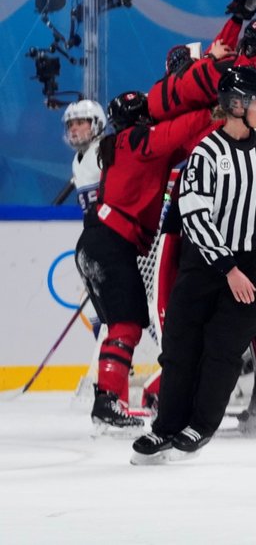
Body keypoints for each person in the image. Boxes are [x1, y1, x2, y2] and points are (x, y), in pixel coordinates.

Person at [131, 66, 256, 464]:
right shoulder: (205, 154)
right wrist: (227, 267)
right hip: (207, 263)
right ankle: (166, 428)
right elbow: (194, 214)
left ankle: (201, 425)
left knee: (223, 346)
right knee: (179, 345)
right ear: (236, 104)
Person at [75, 93, 214, 430]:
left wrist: (217, 122)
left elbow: (183, 145)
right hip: (111, 244)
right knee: (127, 325)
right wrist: (211, 108)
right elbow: (176, 132)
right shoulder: (137, 140)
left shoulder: (124, 146)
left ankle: (109, 401)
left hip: (96, 242)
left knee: (119, 326)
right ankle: (107, 403)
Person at [63, 100, 107, 336]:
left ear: (97, 123)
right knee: (94, 307)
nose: (74, 129)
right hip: (96, 242)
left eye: (80, 122)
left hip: (118, 241)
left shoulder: (105, 151)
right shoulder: (77, 161)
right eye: (71, 124)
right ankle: (116, 360)